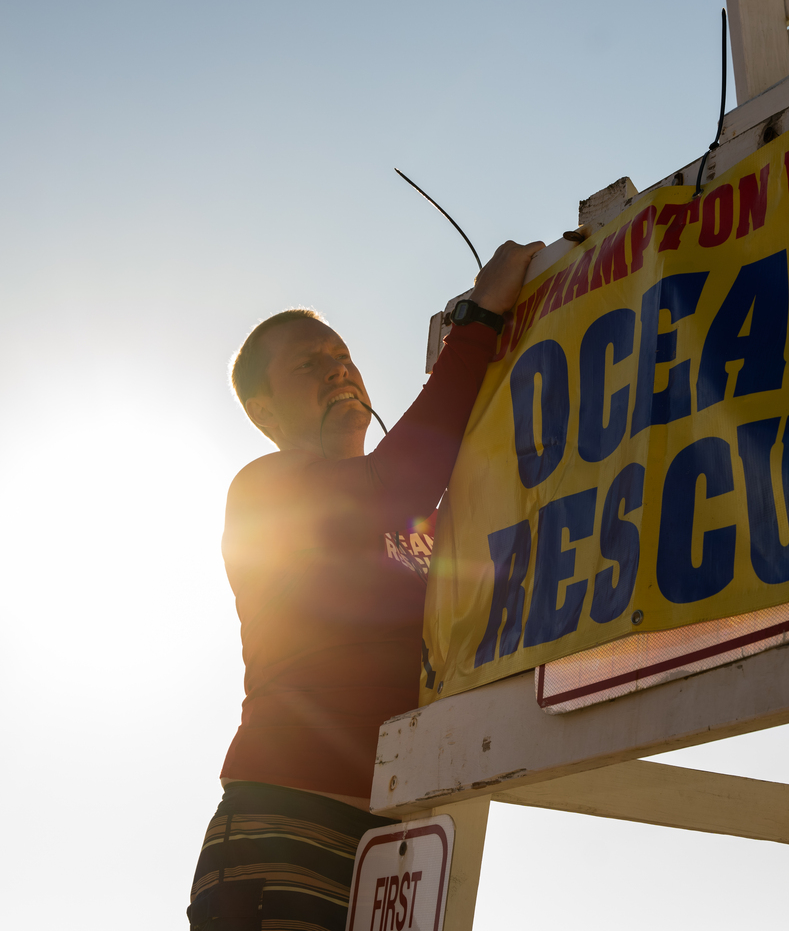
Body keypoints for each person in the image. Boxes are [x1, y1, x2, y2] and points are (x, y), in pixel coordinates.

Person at [188, 239, 542, 930]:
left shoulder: (423, 523)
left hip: (392, 843)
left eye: (343, 356)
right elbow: (400, 476)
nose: (338, 371)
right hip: (282, 823)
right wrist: (482, 318)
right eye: (310, 364)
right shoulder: (265, 487)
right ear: (263, 412)